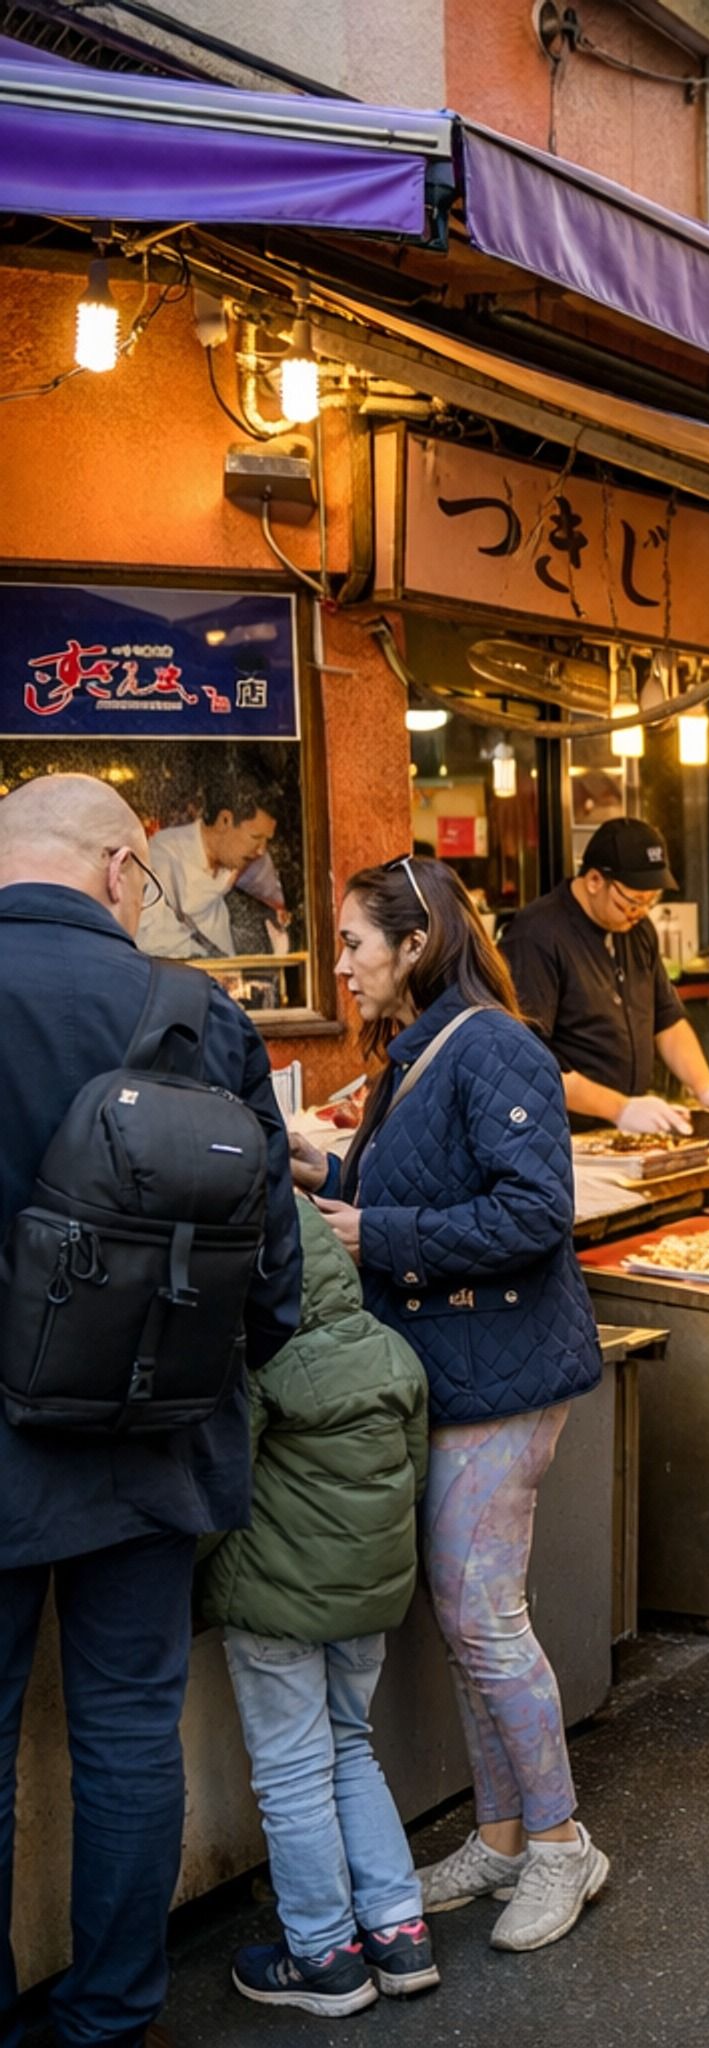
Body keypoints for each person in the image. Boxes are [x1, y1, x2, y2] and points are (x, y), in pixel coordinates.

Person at [0, 774, 301, 2047]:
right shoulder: (193, 1011)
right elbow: (273, 1270)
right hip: (150, 1435)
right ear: (127, 868)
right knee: (131, 1728)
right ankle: (113, 2013)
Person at [290, 855, 610, 1955]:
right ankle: (502, 1833)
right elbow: (409, 1192)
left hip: (501, 1370)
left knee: (482, 1617)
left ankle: (564, 1841)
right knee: (473, 1617)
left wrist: (373, 1230)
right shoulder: (419, 1050)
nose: (340, 966)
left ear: (414, 943)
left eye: (353, 944)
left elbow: (534, 1211)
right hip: (460, 1367)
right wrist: (323, 1169)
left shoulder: (493, 1045)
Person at [201, 1196, 435, 2017]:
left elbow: (223, 1490)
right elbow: (411, 1471)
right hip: (371, 1597)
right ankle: (399, 1932)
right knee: (351, 1748)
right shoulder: (391, 1351)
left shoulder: (260, 1368)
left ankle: (323, 1954)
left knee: (295, 1772)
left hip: (277, 1603)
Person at [500, 817, 709, 1133]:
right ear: (593, 881)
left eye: (650, 901)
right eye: (632, 901)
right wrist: (619, 1108)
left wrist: (706, 1088)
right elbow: (527, 1061)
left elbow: (668, 1021)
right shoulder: (537, 935)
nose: (639, 912)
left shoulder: (638, 930)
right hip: (560, 1134)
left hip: (625, 1129)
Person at [135, 775, 284, 959]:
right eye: (255, 837)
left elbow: (279, 903)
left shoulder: (252, 861)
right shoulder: (165, 855)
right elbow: (154, 940)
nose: (262, 850)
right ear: (224, 821)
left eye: (267, 840)